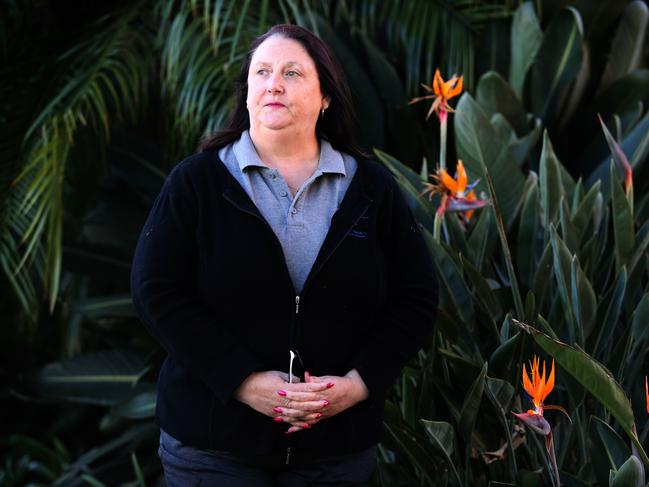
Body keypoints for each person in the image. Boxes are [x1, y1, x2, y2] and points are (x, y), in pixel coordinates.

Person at [130, 23, 438, 486]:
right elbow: (156, 292)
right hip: (213, 447)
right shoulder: (197, 182)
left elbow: (416, 297)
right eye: (262, 72)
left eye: (292, 73)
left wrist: (357, 386)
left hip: (335, 449)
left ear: (325, 97)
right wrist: (243, 382)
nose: (273, 83)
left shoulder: (371, 189)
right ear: (249, 93)